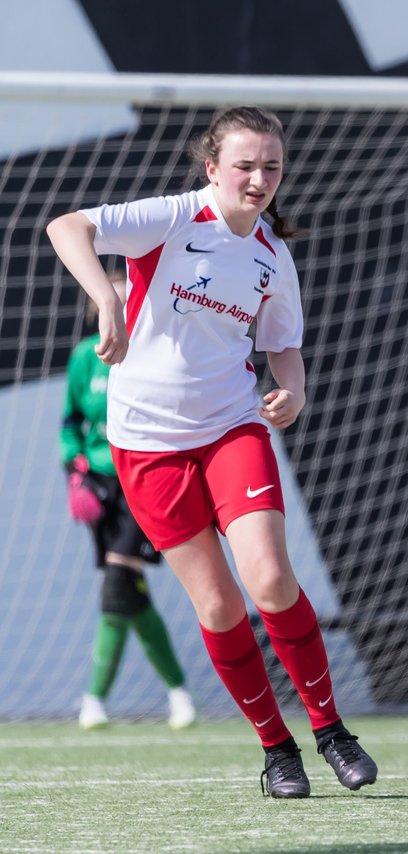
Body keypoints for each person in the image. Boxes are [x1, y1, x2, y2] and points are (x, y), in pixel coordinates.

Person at [46, 106, 377, 799]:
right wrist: (106, 296)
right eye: (245, 165)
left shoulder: (271, 255)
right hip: (147, 447)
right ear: (212, 168)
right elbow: (67, 226)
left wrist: (293, 391)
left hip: (232, 428)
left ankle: (331, 731)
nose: (259, 179)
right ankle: (276, 750)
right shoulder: (171, 218)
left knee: (269, 580)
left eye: (272, 167)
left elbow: (283, 345)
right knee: (221, 607)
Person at [62, 271, 196, 732]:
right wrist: (73, 471)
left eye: (126, 298)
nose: (117, 306)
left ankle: (94, 700)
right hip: (99, 486)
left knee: (119, 583)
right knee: (129, 594)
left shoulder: (149, 353)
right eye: (110, 300)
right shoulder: (83, 357)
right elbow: (71, 422)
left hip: (140, 478)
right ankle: (179, 693)